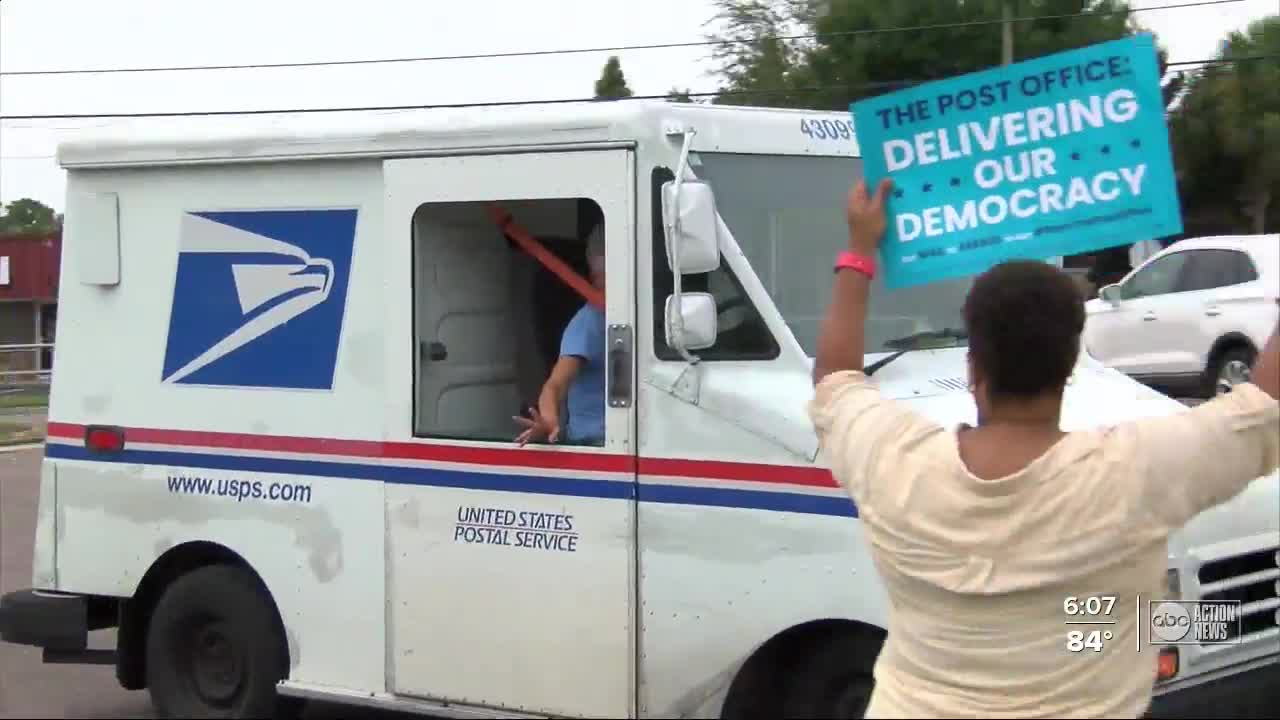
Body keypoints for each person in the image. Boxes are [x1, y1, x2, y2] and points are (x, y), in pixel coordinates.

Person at [809, 179, 1280, 718]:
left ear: (973, 367)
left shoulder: (893, 460)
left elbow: (835, 380)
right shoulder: (1135, 471)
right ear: (1069, 365)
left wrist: (860, 247)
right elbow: (1263, 406)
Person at [514, 224, 606, 447]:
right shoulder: (588, 322)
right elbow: (555, 384)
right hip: (593, 443)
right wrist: (548, 419)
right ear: (595, 274)